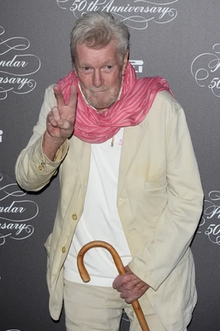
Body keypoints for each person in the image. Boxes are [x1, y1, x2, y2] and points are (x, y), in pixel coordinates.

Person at [15, 11, 203, 331]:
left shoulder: (161, 109)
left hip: (155, 276)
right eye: (86, 68)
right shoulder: (60, 101)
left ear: (125, 59)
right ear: (74, 64)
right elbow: (27, 180)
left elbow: (187, 199)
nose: (97, 81)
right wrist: (53, 138)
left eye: (107, 67)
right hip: (84, 274)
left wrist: (146, 271)